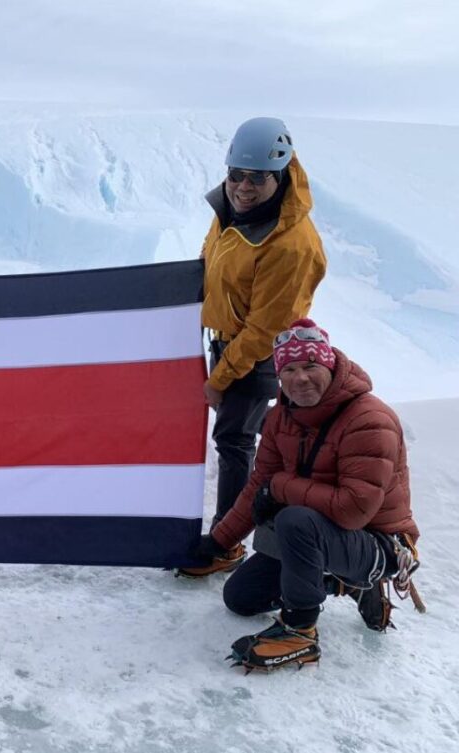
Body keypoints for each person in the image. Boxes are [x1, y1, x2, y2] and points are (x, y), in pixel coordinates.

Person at [190, 319, 420, 671]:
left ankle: (300, 631)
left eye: (311, 366)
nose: (300, 378)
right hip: (321, 532)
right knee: (240, 598)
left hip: (378, 542)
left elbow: (352, 510)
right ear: (279, 376)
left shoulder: (369, 419)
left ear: (329, 365)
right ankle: (345, 584)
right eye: (290, 369)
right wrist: (219, 542)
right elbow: (258, 485)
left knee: (293, 517)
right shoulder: (282, 417)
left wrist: (281, 488)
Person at [178, 117, 328, 577]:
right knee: (251, 437)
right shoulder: (229, 209)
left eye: (256, 177)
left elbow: (266, 328)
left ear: (279, 174)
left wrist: (219, 379)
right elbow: (211, 264)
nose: (243, 186)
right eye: (236, 174)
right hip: (224, 343)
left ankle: (227, 542)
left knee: (235, 440)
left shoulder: (291, 244)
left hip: (259, 356)